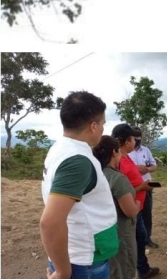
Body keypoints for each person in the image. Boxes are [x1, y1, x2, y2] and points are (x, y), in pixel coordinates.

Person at [40, 91, 119, 279]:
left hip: (78, 252)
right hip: (83, 262)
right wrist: (62, 271)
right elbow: (49, 222)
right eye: (102, 124)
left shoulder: (60, 148)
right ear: (93, 126)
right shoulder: (77, 161)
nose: (103, 130)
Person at [111, 124, 159, 279]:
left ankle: (143, 269)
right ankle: (135, 271)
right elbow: (120, 190)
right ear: (127, 142)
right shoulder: (120, 162)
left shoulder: (126, 157)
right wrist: (142, 187)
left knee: (140, 239)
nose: (135, 142)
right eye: (133, 139)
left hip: (136, 207)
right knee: (131, 244)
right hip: (129, 209)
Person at [93, 135, 140, 279]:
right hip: (120, 232)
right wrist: (137, 203)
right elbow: (130, 212)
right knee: (123, 268)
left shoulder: (93, 173)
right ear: (114, 152)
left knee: (110, 268)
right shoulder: (117, 179)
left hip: (99, 232)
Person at [129, 127, 158, 248]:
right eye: (134, 137)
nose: (137, 139)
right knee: (133, 214)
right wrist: (136, 169)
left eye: (139, 137)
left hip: (147, 187)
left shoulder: (145, 150)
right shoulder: (126, 152)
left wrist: (146, 169)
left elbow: (154, 165)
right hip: (132, 188)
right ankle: (135, 239)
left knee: (147, 213)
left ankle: (147, 238)